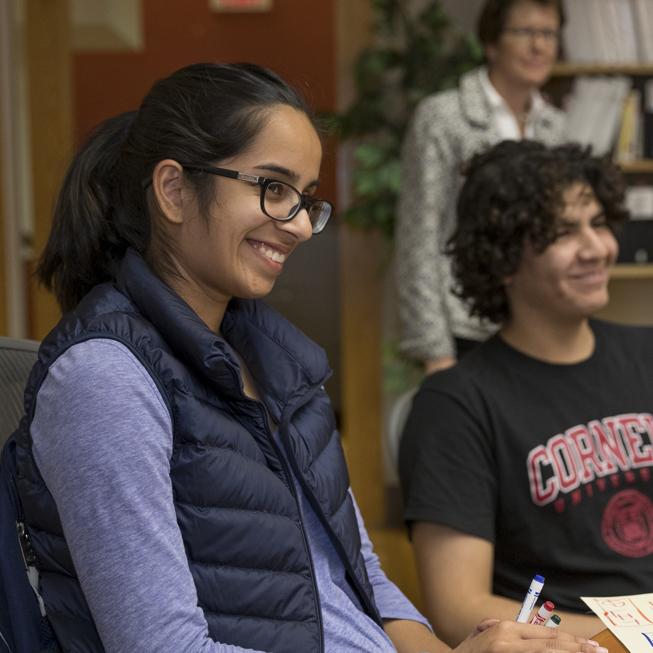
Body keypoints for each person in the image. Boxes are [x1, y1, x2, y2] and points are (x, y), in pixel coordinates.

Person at [5, 63, 603, 653]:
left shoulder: (279, 364)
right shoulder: (105, 378)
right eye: (273, 187)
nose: (298, 226)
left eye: (304, 198)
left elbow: (362, 581)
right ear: (173, 190)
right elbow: (163, 646)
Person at [399, 139, 653, 646]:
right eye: (563, 232)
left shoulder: (648, 352)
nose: (597, 248)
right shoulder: (454, 405)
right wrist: (621, 637)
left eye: (598, 223)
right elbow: (459, 608)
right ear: (505, 258)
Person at [396, 0, 566, 375]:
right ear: (491, 43)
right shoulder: (443, 117)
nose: (539, 46)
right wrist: (434, 350)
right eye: (525, 32)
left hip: (537, 321)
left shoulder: (555, 125)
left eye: (549, 34)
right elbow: (417, 236)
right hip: (463, 325)